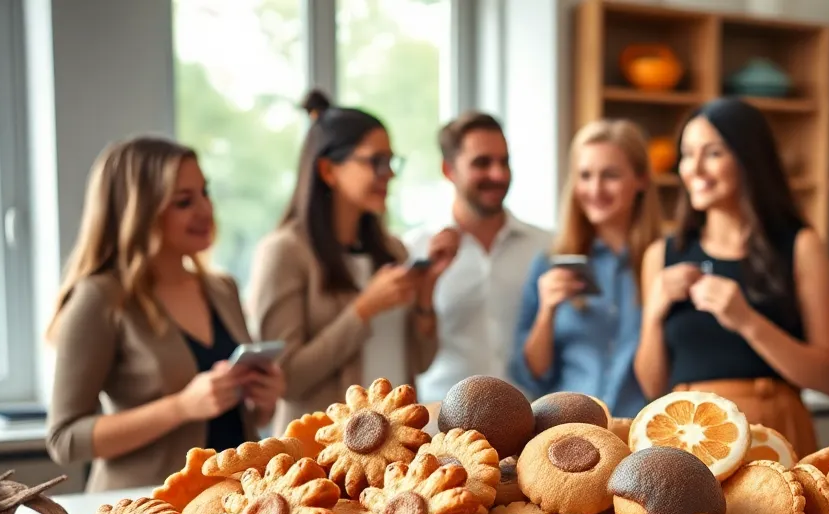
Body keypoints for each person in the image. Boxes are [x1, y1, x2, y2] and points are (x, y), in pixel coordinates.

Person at [46, 136, 285, 492]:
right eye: (184, 201)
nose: (205, 210)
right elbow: (65, 439)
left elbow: (238, 419)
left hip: (233, 506)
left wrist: (264, 401)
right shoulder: (100, 297)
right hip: (144, 512)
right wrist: (182, 407)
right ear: (139, 210)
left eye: (205, 193)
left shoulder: (222, 289)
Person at [633, 97, 829, 457]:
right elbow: (653, 385)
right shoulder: (661, 256)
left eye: (712, 153)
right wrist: (654, 311)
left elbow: (828, 378)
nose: (693, 169)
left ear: (749, 160)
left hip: (774, 433)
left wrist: (746, 321)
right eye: (687, 154)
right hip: (687, 438)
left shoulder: (800, 246)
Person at [247, 90, 457, 433]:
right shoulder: (284, 252)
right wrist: (363, 309)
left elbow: (422, 360)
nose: (388, 173)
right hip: (321, 453)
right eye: (376, 161)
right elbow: (287, 378)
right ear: (328, 170)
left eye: (391, 161)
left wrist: (426, 293)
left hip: (395, 445)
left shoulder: (393, 251)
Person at [508, 119, 662, 418]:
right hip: (567, 429)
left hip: (644, 432)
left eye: (610, 175)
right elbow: (530, 376)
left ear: (641, 179)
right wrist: (547, 312)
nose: (595, 188)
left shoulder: (665, 262)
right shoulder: (549, 264)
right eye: (585, 175)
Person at [402, 111, 552, 404]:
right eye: (482, 163)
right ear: (448, 170)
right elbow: (408, 347)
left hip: (528, 420)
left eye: (504, 162)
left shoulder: (544, 247)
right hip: (441, 423)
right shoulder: (416, 249)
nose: (498, 175)